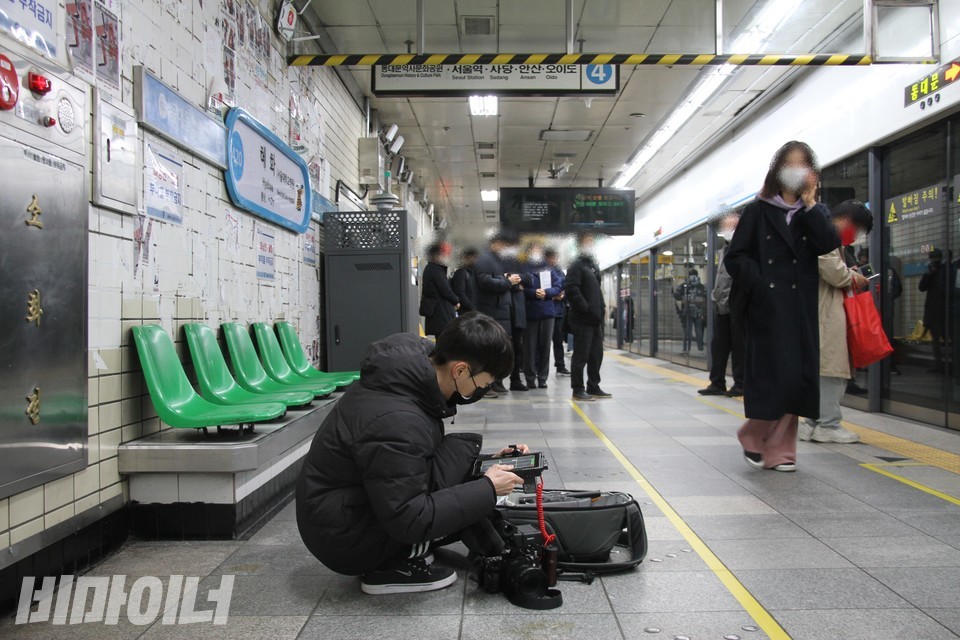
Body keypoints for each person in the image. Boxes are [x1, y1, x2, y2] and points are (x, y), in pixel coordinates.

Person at [296, 313, 526, 594]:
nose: (483, 390)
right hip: (344, 537)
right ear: (461, 370)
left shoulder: (412, 377)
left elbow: (408, 466)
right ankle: (389, 565)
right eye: (484, 383)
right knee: (464, 499)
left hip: (347, 507)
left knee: (465, 477)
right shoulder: (397, 419)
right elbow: (411, 517)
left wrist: (489, 466)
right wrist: (488, 488)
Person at [724, 141, 839, 472]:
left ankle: (780, 451)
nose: (795, 170)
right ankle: (755, 433)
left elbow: (828, 243)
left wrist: (812, 204)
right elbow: (736, 257)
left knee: (796, 380)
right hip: (767, 309)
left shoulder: (812, 212)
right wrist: (760, 284)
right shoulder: (758, 211)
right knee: (773, 379)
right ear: (776, 169)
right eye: (789, 163)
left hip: (800, 308)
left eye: (802, 164)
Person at [799, 200, 872, 444]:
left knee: (823, 368)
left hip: (819, 310)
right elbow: (835, 274)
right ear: (848, 222)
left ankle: (812, 422)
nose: (856, 236)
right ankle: (828, 424)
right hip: (826, 312)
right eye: (858, 230)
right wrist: (855, 277)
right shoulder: (825, 235)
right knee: (832, 369)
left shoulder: (821, 234)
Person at [699, 210, 745, 397]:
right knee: (718, 346)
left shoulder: (743, 246)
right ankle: (717, 383)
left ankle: (740, 384)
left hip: (736, 305)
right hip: (721, 306)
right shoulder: (725, 248)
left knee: (739, 347)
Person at [565, 232, 611, 401]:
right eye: (588, 241)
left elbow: (596, 290)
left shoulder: (592, 265)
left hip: (595, 319)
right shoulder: (575, 265)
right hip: (582, 318)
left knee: (596, 354)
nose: (591, 244)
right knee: (581, 355)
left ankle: (593, 386)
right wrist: (585, 308)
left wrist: (601, 308)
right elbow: (571, 289)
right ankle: (578, 389)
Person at [475, 231, 522, 395]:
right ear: (497, 243)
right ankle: (484, 385)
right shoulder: (484, 259)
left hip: (502, 311)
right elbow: (486, 282)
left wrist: (510, 281)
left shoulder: (498, 260)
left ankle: (496, 382)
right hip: (491, 311)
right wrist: (508, 282)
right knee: (489, 349)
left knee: (500, 349)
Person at [522, 243, 563, 389]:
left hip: (547, 312)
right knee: (530, 347)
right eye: (533, 249)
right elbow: (519, 288)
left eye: (538, 250)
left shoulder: (549, 269)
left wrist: (547, 293)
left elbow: (558, 286)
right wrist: (533, 293)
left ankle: (543, 378)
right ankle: (530, 378)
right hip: (530, 313)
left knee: (545, 347)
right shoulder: (523, 269)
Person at [503, 244, 535, 391]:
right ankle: (496, 381)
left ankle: (515, 379)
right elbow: (498, 281)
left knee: (518, 347)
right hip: (503, 310)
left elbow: (529, 278)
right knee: (501, 346)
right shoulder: (497, 261)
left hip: (518, 312)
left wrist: (515, 279)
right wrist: (513, 283)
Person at [419, 242, 460, 338]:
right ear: (437, 256)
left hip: (439, 311)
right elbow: (445, 289)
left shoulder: (433, 269)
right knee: (444, 339)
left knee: (443, 339)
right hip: (440, 311)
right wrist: (456, 301)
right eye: (444, 255)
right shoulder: (435, 270)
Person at [919, 248, 948, 374]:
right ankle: (939, 365)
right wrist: (929, 274)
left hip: (943, 309)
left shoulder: (946, 272)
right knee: (935, 340)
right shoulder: (930, 272)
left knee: (942, 339)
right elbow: (922, 287)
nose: (934, 261)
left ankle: (942, 366)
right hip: (934, 310)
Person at [547, 249, 571, 377]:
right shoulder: (541, 271)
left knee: (558, 340)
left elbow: (567, 287)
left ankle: (560, 366)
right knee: (542, 342)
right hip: (546, 309)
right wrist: (551, 295)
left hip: (559, 311)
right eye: (550, 258)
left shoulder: (561, 272)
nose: (552, 260)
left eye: (554, 258)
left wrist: (562, 295)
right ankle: (538, 367)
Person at [674, 268, 708, 354]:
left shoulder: (684, 286)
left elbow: (677, 296)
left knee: (687, 332)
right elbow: (706, 298)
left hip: (687, 312)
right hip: (698, 312)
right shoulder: (701, 286)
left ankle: (686, 349)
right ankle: (700, 349)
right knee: (699, 331)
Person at [451, 248, 479, 313]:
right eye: (471, 258)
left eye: (475, 258)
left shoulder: (474, 273)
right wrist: (472, 307)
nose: (474, 260)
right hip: (465, 311)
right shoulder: (461, 273)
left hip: (474, 310)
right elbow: (460, 293)